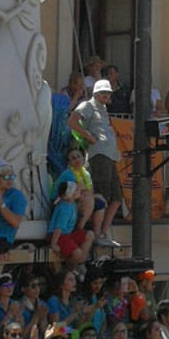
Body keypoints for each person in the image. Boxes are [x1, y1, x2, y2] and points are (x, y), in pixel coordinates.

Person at [69, 79, 124, 246]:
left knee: (116, 197)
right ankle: (97, 233)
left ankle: (103, 233)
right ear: (96, 93)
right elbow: (72, 121)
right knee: (103, 195)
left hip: (109, 156)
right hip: (99, 155)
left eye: (108, 92)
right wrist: (88, 136)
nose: (106, 95)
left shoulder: (103, 109)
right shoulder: (88, 105)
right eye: (103, 92)